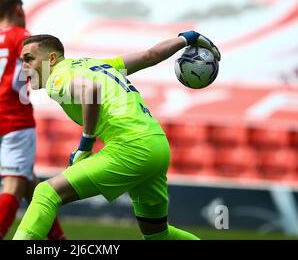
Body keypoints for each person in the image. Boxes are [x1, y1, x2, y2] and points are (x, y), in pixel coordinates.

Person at [13, 31, 221, 240]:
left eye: (29, 59)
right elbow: (151, 55)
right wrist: (188, 38)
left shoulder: (57, 77)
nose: (24, 68)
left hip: (131, 146)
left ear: (51, 59)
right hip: (157, 143)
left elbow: (91, 91)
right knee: (158, 235)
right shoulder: (98, 65)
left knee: (46, 192)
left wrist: (86, 144)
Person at [0, 0, 66, 240]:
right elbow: (37, 71)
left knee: (31, 186)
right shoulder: (23, 39)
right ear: (19, 9)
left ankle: (59, 240)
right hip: (13, 121)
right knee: (14, 184)